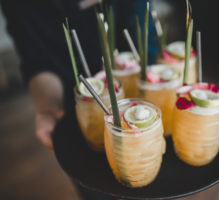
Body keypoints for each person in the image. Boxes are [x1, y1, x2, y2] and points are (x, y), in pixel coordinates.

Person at [0, 0, 157, 199]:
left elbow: (144, 35)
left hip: (141, 107)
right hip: (75, 111)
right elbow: (36, 59)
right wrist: (48, 108)